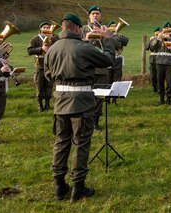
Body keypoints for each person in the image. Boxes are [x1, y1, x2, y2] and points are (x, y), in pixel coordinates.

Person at [44, 13, 114, 202]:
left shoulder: (52, 49)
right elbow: (108, 61)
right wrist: (108, 40)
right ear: (76, 28)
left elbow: (48, 74)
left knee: (61, 143)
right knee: (81, 144)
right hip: (81, 101)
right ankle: (78, 187)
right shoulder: (84, 47)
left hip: (60, 101)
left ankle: (59, 186)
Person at [81, 5, 114, 131]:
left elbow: (116, 43)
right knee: (86, 94)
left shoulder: (105, 29)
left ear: (101, 16)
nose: (95, 15)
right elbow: (76, 44)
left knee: (100, 95)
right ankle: (85, 119)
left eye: (98, 13)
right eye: (93, 13)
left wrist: (106, 36)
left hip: (101, 68)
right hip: (86, 68)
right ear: (89, 16)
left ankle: (96, 121)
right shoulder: (82, 29)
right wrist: (87, 38)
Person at [27, 21, 58, 112]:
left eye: (48, 27)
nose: (46, 29)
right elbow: (29, 51)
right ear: (40, 28)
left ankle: (47, 105)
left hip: (50, 65)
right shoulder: (35, 39)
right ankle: (40, 105)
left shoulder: (54, 38)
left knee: (49, 85)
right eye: (44, 27)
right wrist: (41, 49)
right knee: (39, 85)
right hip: (39, 65)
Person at [150, 22, 171, 105]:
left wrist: (168, 38)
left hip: (169, 63)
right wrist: (157, 39)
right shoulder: (158, 38)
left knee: (169, 81)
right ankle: (161, 98)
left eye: (168, 31)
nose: (166, 33)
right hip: (159, 62)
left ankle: (169, 98)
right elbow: (152, 48)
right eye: (165, 31)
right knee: (160, 81)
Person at [147, 27, 161, 92]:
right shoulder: (152, 39)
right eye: (157, 32)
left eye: (159, 32)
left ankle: (159, 87)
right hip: (152, 58)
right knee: (153, 74)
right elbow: (147, 47)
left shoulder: (161, 39)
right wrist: (150, 40)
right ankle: (154, 86)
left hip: (159, 58)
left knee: (159, 74)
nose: (158, 33)